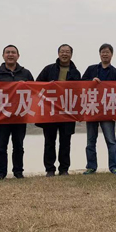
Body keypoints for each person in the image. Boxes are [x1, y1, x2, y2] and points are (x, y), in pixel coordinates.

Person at [36, 44, 81, 177]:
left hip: (67, 113)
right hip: (50, 112)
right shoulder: (48, 69)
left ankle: (64, 169)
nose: (64, 54)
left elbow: (79, 92)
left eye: (67, 52)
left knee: (65, 142)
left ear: (71, 55)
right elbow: (37, 85)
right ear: (58, 53)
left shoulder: (76, 72)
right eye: (62, 51)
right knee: (49, 142)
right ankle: (50, 169)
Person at [0, 45, 34, 179]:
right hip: (3, 116)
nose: (10, 55)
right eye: (7, 52)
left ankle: (18, 171)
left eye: (13, 52)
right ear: (3, 56)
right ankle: (1, 173)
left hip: (20, 116)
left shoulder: (26, 74)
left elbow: (34, 91)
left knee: (19, 145)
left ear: (18, 56)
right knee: (1, 146)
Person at [81, 43, 116, 175]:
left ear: (112, 55)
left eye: (107, 52)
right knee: (90, 141)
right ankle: (91, 166)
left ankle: (114, 166)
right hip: (92, 109)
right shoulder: (91, 69)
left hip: (108, 110)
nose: (105, 54)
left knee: (111, 140)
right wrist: (91, 81)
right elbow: (81, 84)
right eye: (103, 52)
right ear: (99, 54)